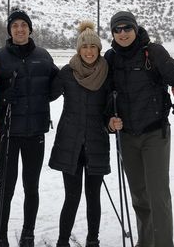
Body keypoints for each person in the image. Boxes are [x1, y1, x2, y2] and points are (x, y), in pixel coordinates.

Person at [104, 11, 174, 247]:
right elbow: (106, 98)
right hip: (127, 137)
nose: (123, 33)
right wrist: (109, 120)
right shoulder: (110, 58)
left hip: (155, 133)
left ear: (135, 29)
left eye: (127, 28)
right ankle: (145, 242)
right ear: (113, 33)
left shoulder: (153, 53)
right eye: (117, 29)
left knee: (157, 195)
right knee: (139, 195)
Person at [0, 8, 59, 247]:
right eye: (15, 25)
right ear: (9, 30)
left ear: (30, 29)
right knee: (6, 188)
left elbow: (55, 85)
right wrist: (2, 97)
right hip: (8, 132)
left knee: (32, 187)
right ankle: (1, 235)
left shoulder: (43, 55)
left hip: (35, 132)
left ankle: (28, 233)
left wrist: (50, 94)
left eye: (23, 25)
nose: (19, 29)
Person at [49, 21, 122, 247]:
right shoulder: (67, 72)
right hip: (70, 143)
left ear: (99, 49)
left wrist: (112, 123)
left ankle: (93, 240)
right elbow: (48, 94)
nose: (89, 51)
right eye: (84, 47)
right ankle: (62, 241)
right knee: (71, 197)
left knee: (93, 197)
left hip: (96, 142)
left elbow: (110, 109)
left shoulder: (107, 73)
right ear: (78, 49)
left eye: (93, 47)